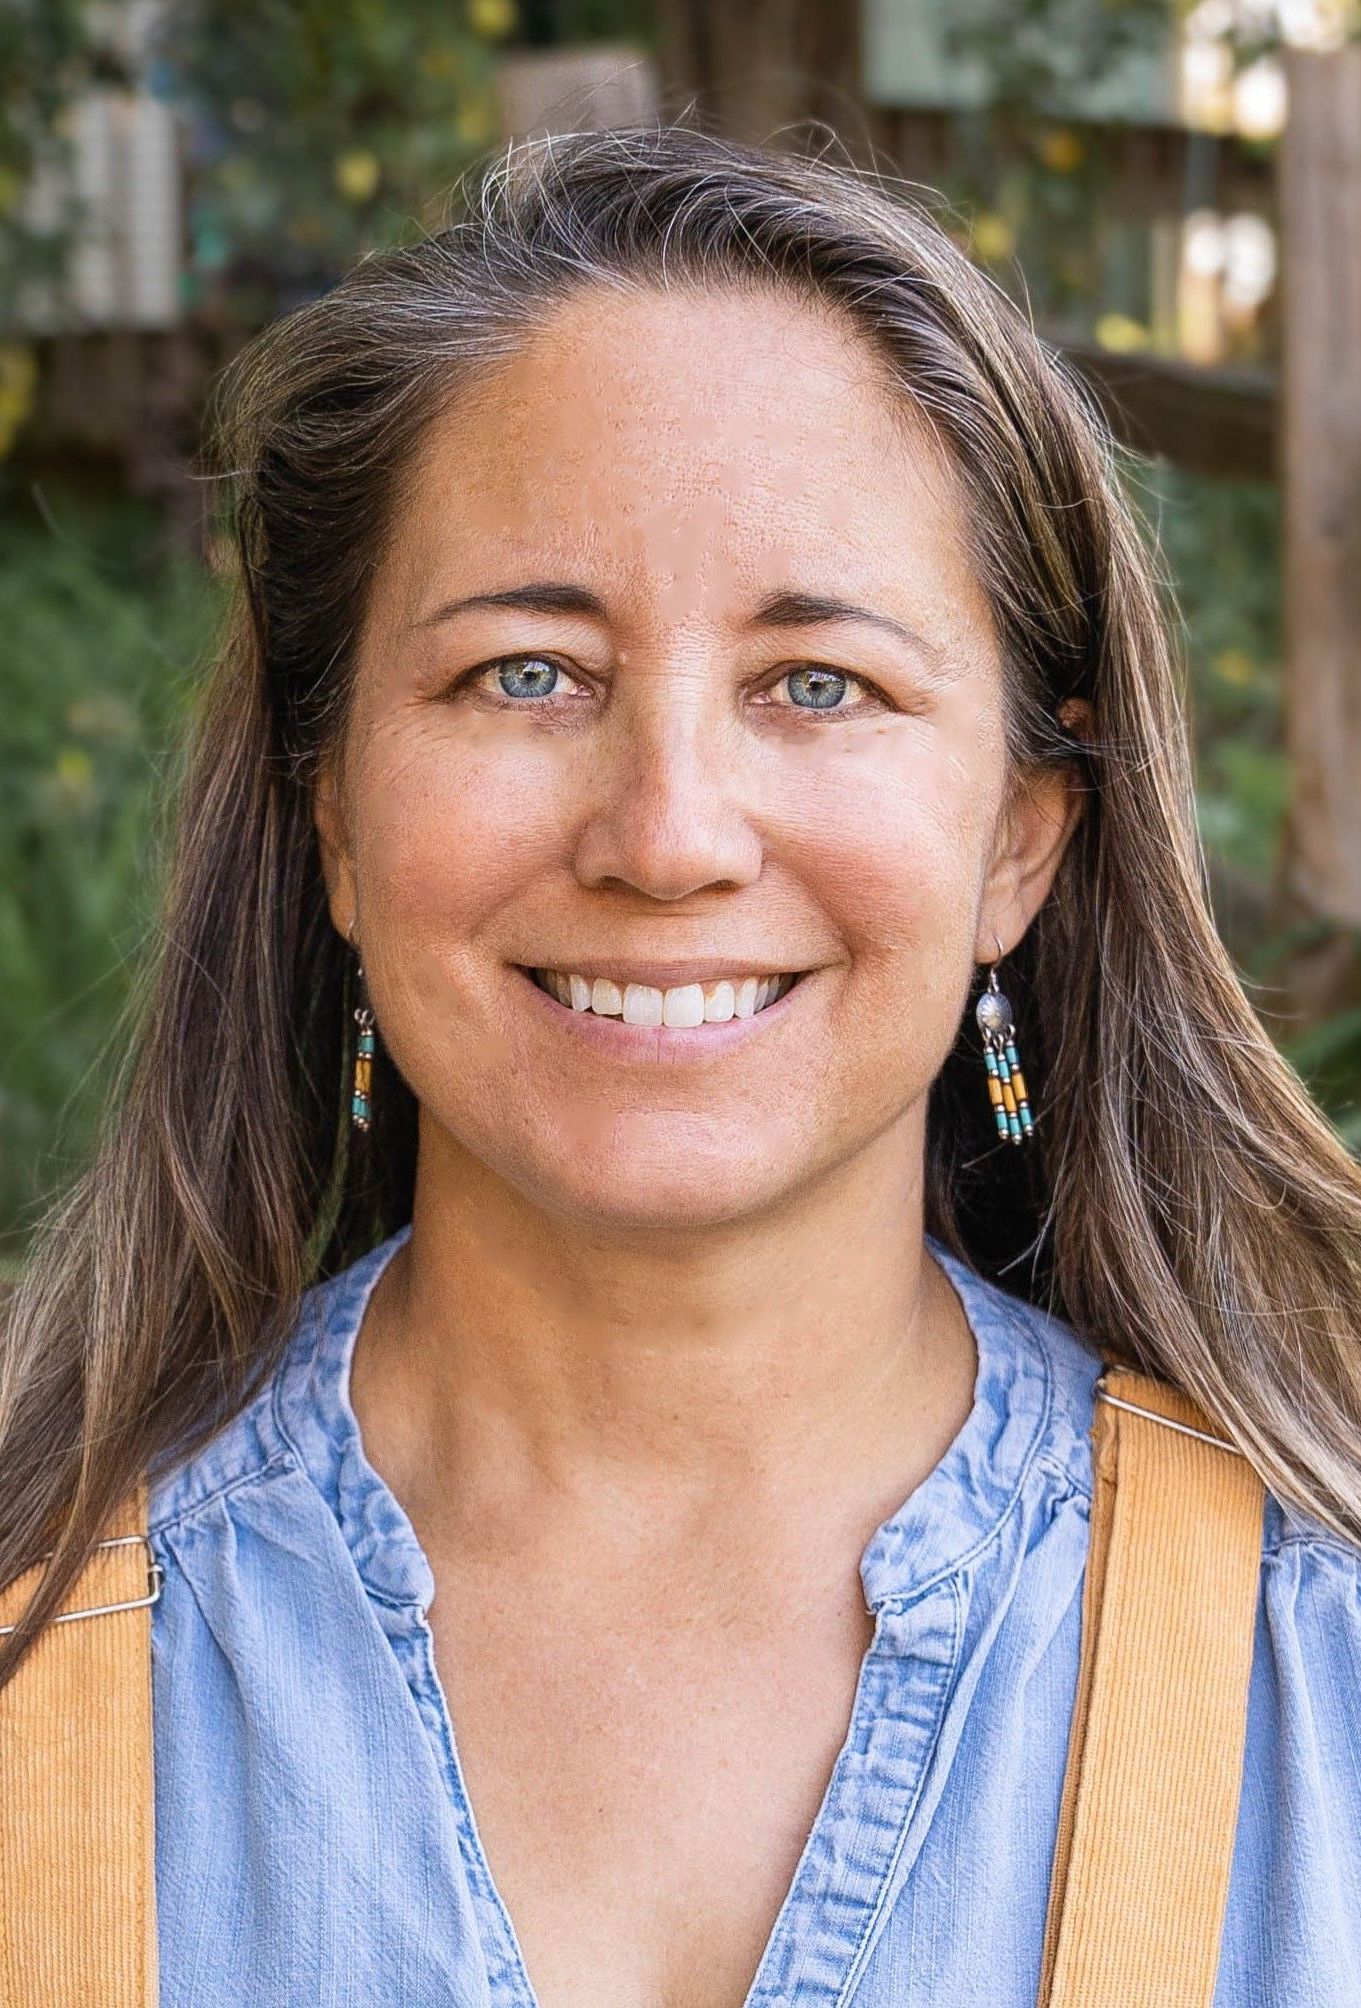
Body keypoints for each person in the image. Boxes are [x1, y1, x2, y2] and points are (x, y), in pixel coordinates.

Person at [2, 124, 1359, 2007]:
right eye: (527, 675)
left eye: (820, 685)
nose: (667, 833)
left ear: (1019, 842)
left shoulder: (1326, 1674)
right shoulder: (35, 1636)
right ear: (330, 817)